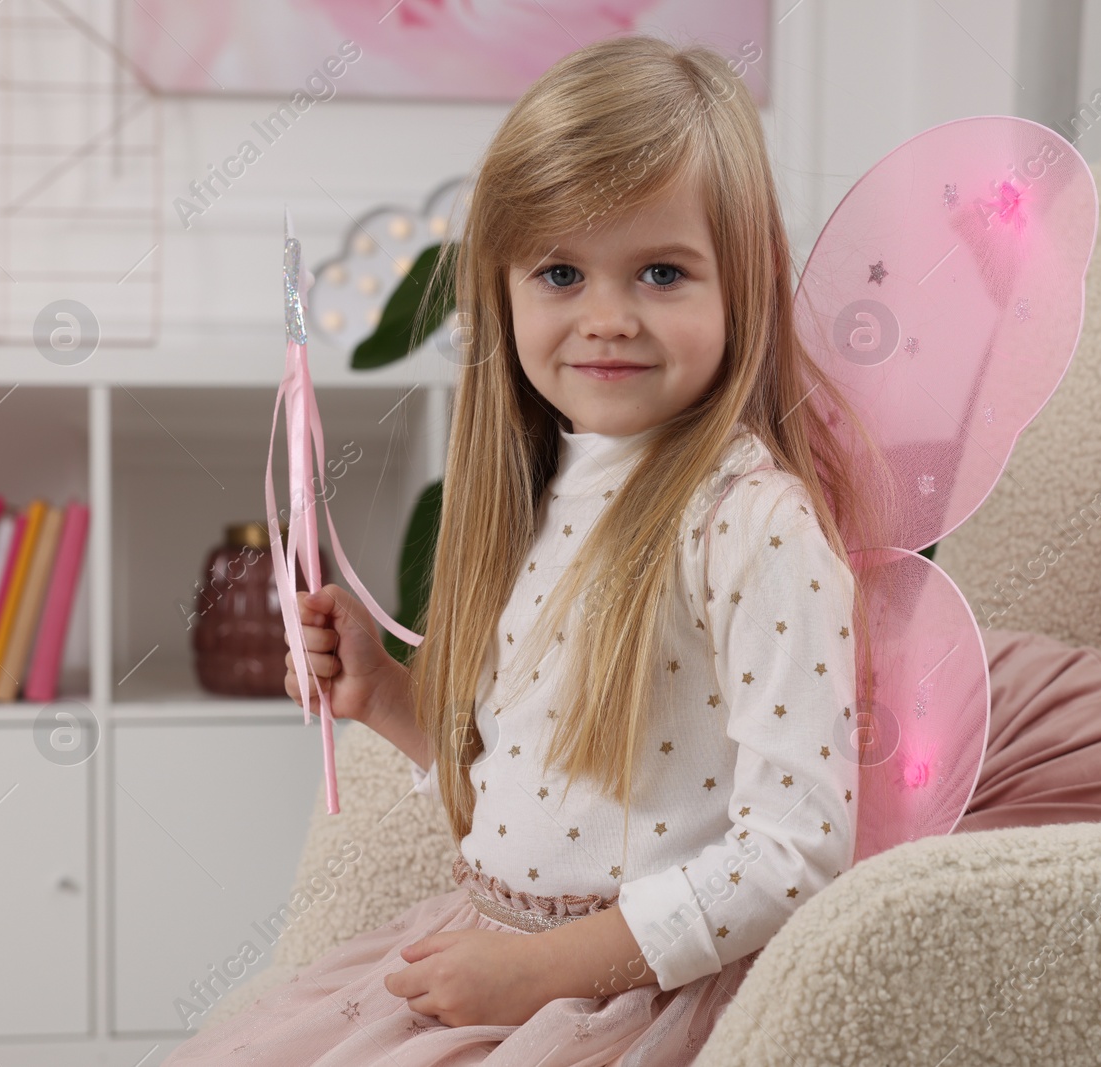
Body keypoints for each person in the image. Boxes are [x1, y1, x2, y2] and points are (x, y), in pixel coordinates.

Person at [164, 31, 885, 1066]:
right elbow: (533, 791)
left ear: (746, 287)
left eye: (661, 272)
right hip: (500, 962)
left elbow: (796, 855)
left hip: (631, 998)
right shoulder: (549, 495)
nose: (607, 317)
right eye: (559, 271)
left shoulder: (751, 523)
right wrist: (386, 697)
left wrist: (546, 971)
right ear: (501, 291)